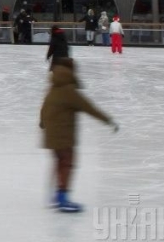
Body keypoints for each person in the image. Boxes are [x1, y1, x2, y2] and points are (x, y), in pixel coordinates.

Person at [39, 58, 118, 212]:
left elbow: (44, 107)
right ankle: (63, 198)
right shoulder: (69, 90)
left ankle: (57, 196)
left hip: (52, 134)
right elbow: (89, 108)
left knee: (59, 162)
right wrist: (108, 120)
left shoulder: (53, 87)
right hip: (64, 135)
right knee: (67, 163)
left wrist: (43, 123)